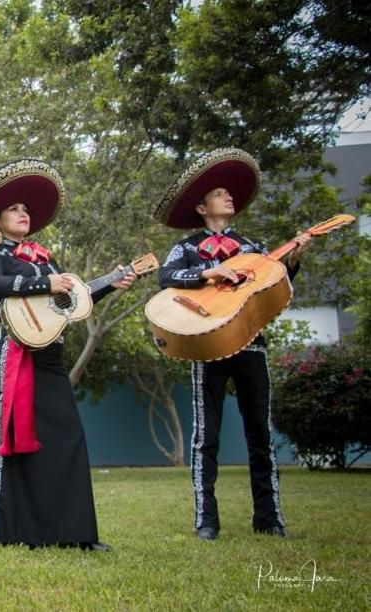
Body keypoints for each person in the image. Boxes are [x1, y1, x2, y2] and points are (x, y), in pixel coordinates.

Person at [0, 159, 135, 550]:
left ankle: (75, 532)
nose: (23, 213)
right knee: (10, 436)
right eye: (14, 209)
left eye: (26, 209)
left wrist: (111, 284)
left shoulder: (47, 259)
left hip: (51, 358)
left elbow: (71, 301)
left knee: (67, 437)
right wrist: (44, 282)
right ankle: (5, 529)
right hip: (14, 355)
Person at [153, 147, 311, 541]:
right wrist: (209, 272)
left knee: (260, 432)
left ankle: (269, 518)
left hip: (251, 345)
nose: (229, 198)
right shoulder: (187, 247)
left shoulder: (253, 246)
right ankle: (207, 520)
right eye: (219, 194)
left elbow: (272, 286)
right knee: (206, 435)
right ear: (203, 208)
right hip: (207, 345)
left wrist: (292, 262)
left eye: (229, 194)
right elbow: (166, 277)